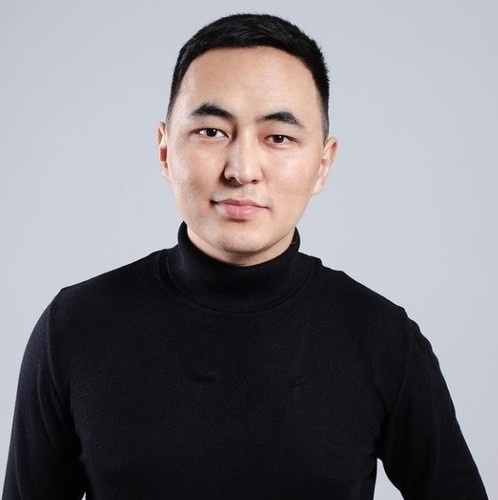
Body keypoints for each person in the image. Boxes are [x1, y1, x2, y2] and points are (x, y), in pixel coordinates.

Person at [2, 13, 488, 500]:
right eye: (212, 132)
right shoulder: (75, 327)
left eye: (278, 137)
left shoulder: (382, 338)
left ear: (322, 165)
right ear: (165, 150)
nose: (242, 169)